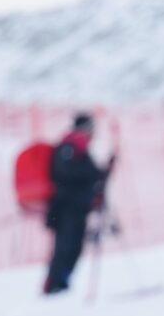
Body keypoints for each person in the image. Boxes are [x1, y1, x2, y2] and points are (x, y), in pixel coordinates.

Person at [43, 112, 112, 294]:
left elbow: (90, 173)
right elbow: (66, 172)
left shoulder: (79, 148)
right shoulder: (69, 146)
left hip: (77, 207)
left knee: (75, 246)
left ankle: (62, 282)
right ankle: (54, 285)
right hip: (65, 207)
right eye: (91, 128)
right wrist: (94, 175)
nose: (93, 133)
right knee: (65, 246)